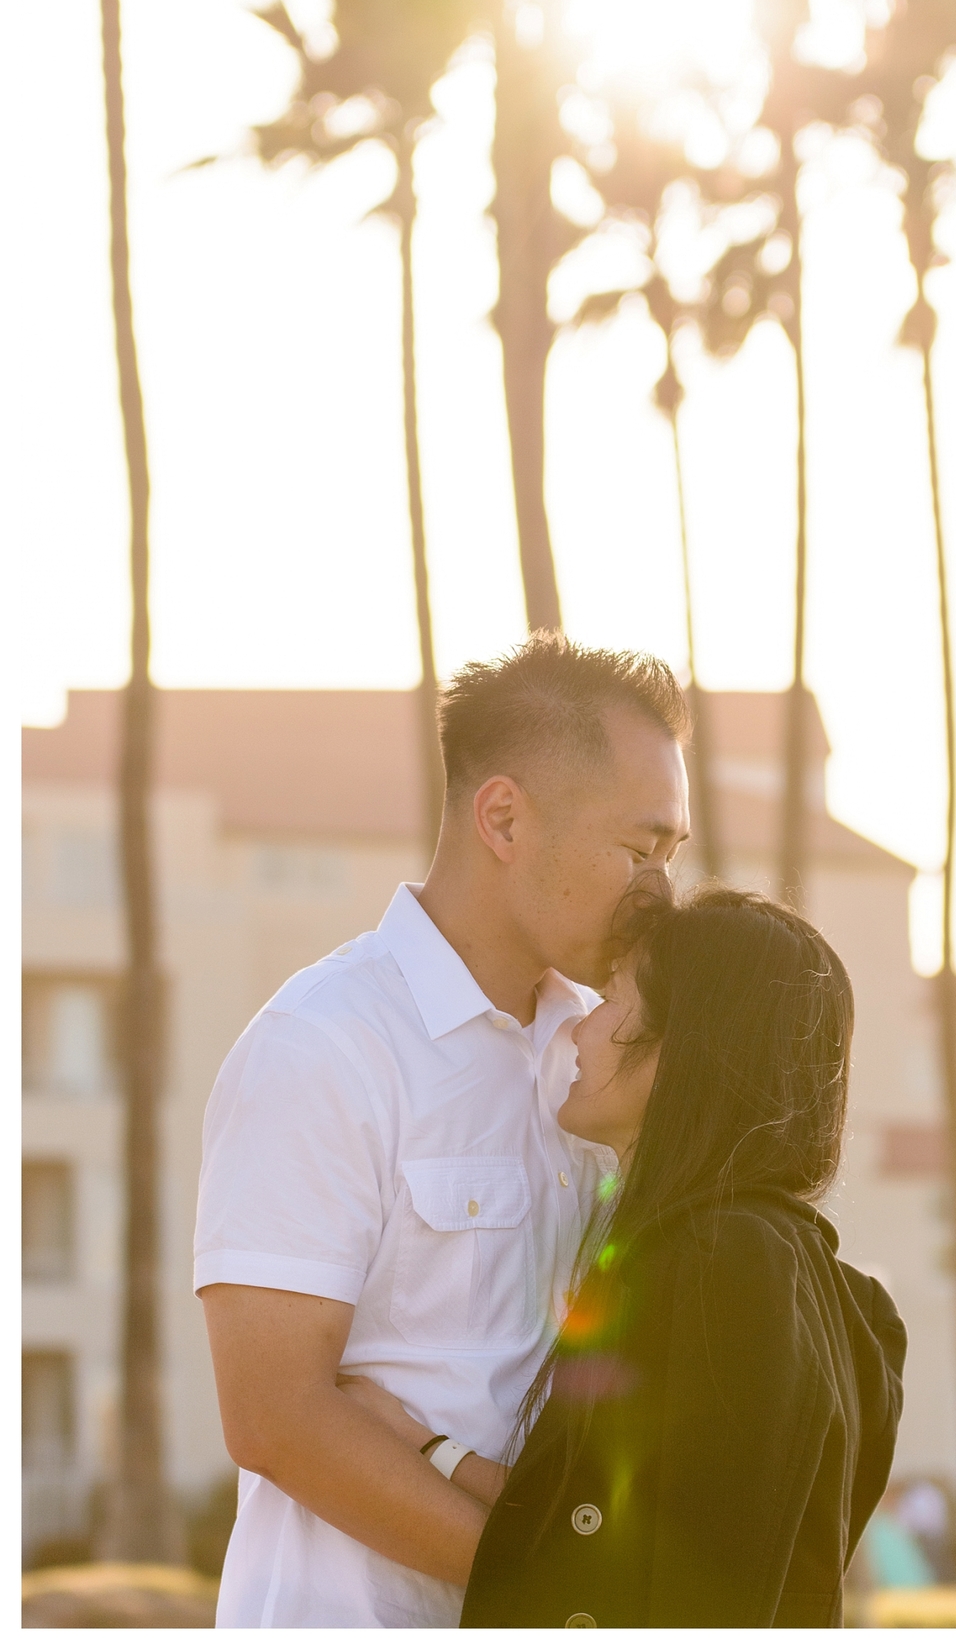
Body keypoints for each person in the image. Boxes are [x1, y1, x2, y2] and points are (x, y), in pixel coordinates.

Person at [195, 636, 691, 1627]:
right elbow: (273, 1413)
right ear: (503, 816)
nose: (658, 895)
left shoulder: (603, 1057)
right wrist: (549, 1590)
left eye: (669, 857)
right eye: (638, 851)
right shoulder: (322, 1045)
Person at [338, 885, 907, 1625]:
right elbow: (613, 1529)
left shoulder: (728, 1261)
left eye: (610, 1001)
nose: (579, 1030)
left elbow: (690, 1590)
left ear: (691, 1041)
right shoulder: (821, 1291)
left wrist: (409, 1440)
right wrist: (419, 1443)